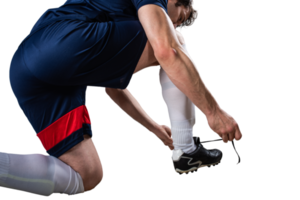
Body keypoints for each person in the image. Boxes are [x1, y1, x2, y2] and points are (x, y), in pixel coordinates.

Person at [2, 0, 242, 198]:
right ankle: (187, 149)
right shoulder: (150, 6)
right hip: (59, 40)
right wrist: (215, 112)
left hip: (30, 71)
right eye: (178, 19)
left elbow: (114, 89)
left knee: (87, 175)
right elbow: (167, 51)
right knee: (174, 45)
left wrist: (155, 128)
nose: (174, 25)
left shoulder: (118, 20)